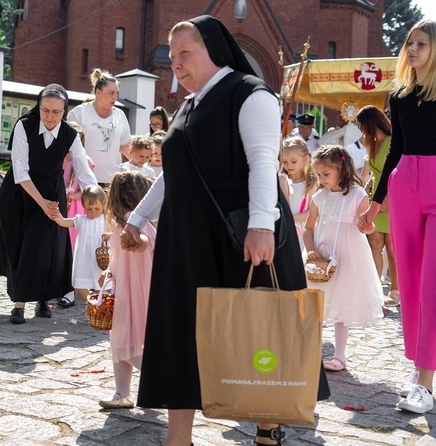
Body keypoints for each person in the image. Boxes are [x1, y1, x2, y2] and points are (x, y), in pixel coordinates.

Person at [121, 16, 329, 446]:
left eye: (185, 52)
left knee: (258, 325)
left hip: (239, 234)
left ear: (213, 48)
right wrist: (138, 217)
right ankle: (178, 437)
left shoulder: (251, 94)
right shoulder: (189, 105)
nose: (175, 62)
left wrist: (260, 228)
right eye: (172, 54)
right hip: (189, 240)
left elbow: (262, 162)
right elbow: (174, 172)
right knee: (183, 331)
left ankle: (268, 421)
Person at [359, 19, 436, 414]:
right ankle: (419, 367)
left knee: (431, 284)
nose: (412, 49)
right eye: (409, 43)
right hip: (405, 183)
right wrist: (375, 203)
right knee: (408, 284)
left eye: (420, 44)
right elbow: (394, 149)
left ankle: (425, 382)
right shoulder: (400, 94)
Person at [0, 84, 97, 324]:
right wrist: (43, 202)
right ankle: (19, 303)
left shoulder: (70, 134)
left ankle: (43, 300)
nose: (49, 116)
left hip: (52, 190)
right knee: (21, 243)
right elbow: (20, 170)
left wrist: (97, 196)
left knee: (48, 246)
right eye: (45, 110)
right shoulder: (24, 126)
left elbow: (83, 169)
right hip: (21, 191)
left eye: (56, 112)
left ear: (64, 111)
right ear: (39, 107)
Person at [303, 145, 384, 372]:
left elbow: (367, 228)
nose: (322, 179)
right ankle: (309, 350)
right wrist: (311, 250)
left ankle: (339, 355)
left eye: (326, 174)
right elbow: (308, 228)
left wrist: (367, 225)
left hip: (348, 255)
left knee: (342, 303)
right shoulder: (319, 197)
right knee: (316, 302)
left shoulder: (357, 195)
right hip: (322, 254)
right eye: (318, 175)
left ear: (342, 168)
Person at [94, 171, 156, 409]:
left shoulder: (135, 222)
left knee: (127, 343)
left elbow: (143, 243)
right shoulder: (125, 224)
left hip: (136, 293)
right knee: (121, 343)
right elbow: (120, 258)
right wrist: (109, 271)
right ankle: (122, 394)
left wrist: (138, 241)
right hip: (126, 291)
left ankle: (160, 376)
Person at [355, 105, 399, 307]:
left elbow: (395, 173)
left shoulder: (393, 143)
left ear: (370, 124)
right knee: (374, 245)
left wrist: (384, 202)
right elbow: (374, 174)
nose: (361, 130)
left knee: (392, 247)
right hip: (376, 199)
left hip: (392, 199)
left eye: (362, 125)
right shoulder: (372, 145)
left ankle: (395, 291)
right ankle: (374, 289)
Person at [68, 69, 132, 186]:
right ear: (98, 92)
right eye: (111, 93)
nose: (115, 97)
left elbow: (126, 147)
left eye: (117, 94)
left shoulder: (120, 115)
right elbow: (68, 148)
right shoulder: (78, 113)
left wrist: (144, 164)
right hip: (82, 180)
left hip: (112, 181)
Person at [52, 185, 107, 307]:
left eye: (97, 208)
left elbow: (117, 233)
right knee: (79, 286)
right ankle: (92, 303)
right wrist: (56, 214)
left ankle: (100, 308)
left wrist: (110, 235)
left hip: (100, 261)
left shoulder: (106, 220)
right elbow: (64, 222)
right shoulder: (81, 220)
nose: (93, 212)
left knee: (100, 286)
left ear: (104, 205)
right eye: (89, 208)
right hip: (83, 260)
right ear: (83, 206)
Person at [62, 121, 95, 248]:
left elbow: (89, 191)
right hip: (60, 204)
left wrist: (70, 196)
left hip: (77, 208)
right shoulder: (59, 159)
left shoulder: (86, 161)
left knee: (74, 240)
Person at [281, 136, 317, 250]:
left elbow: (312, 213)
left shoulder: (311, 183)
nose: (289, 165)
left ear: (305, 158)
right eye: (285, 161)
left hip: (302, 231)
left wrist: (290, 218)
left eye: (293, 161)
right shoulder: (281, 180)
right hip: (283, 228)